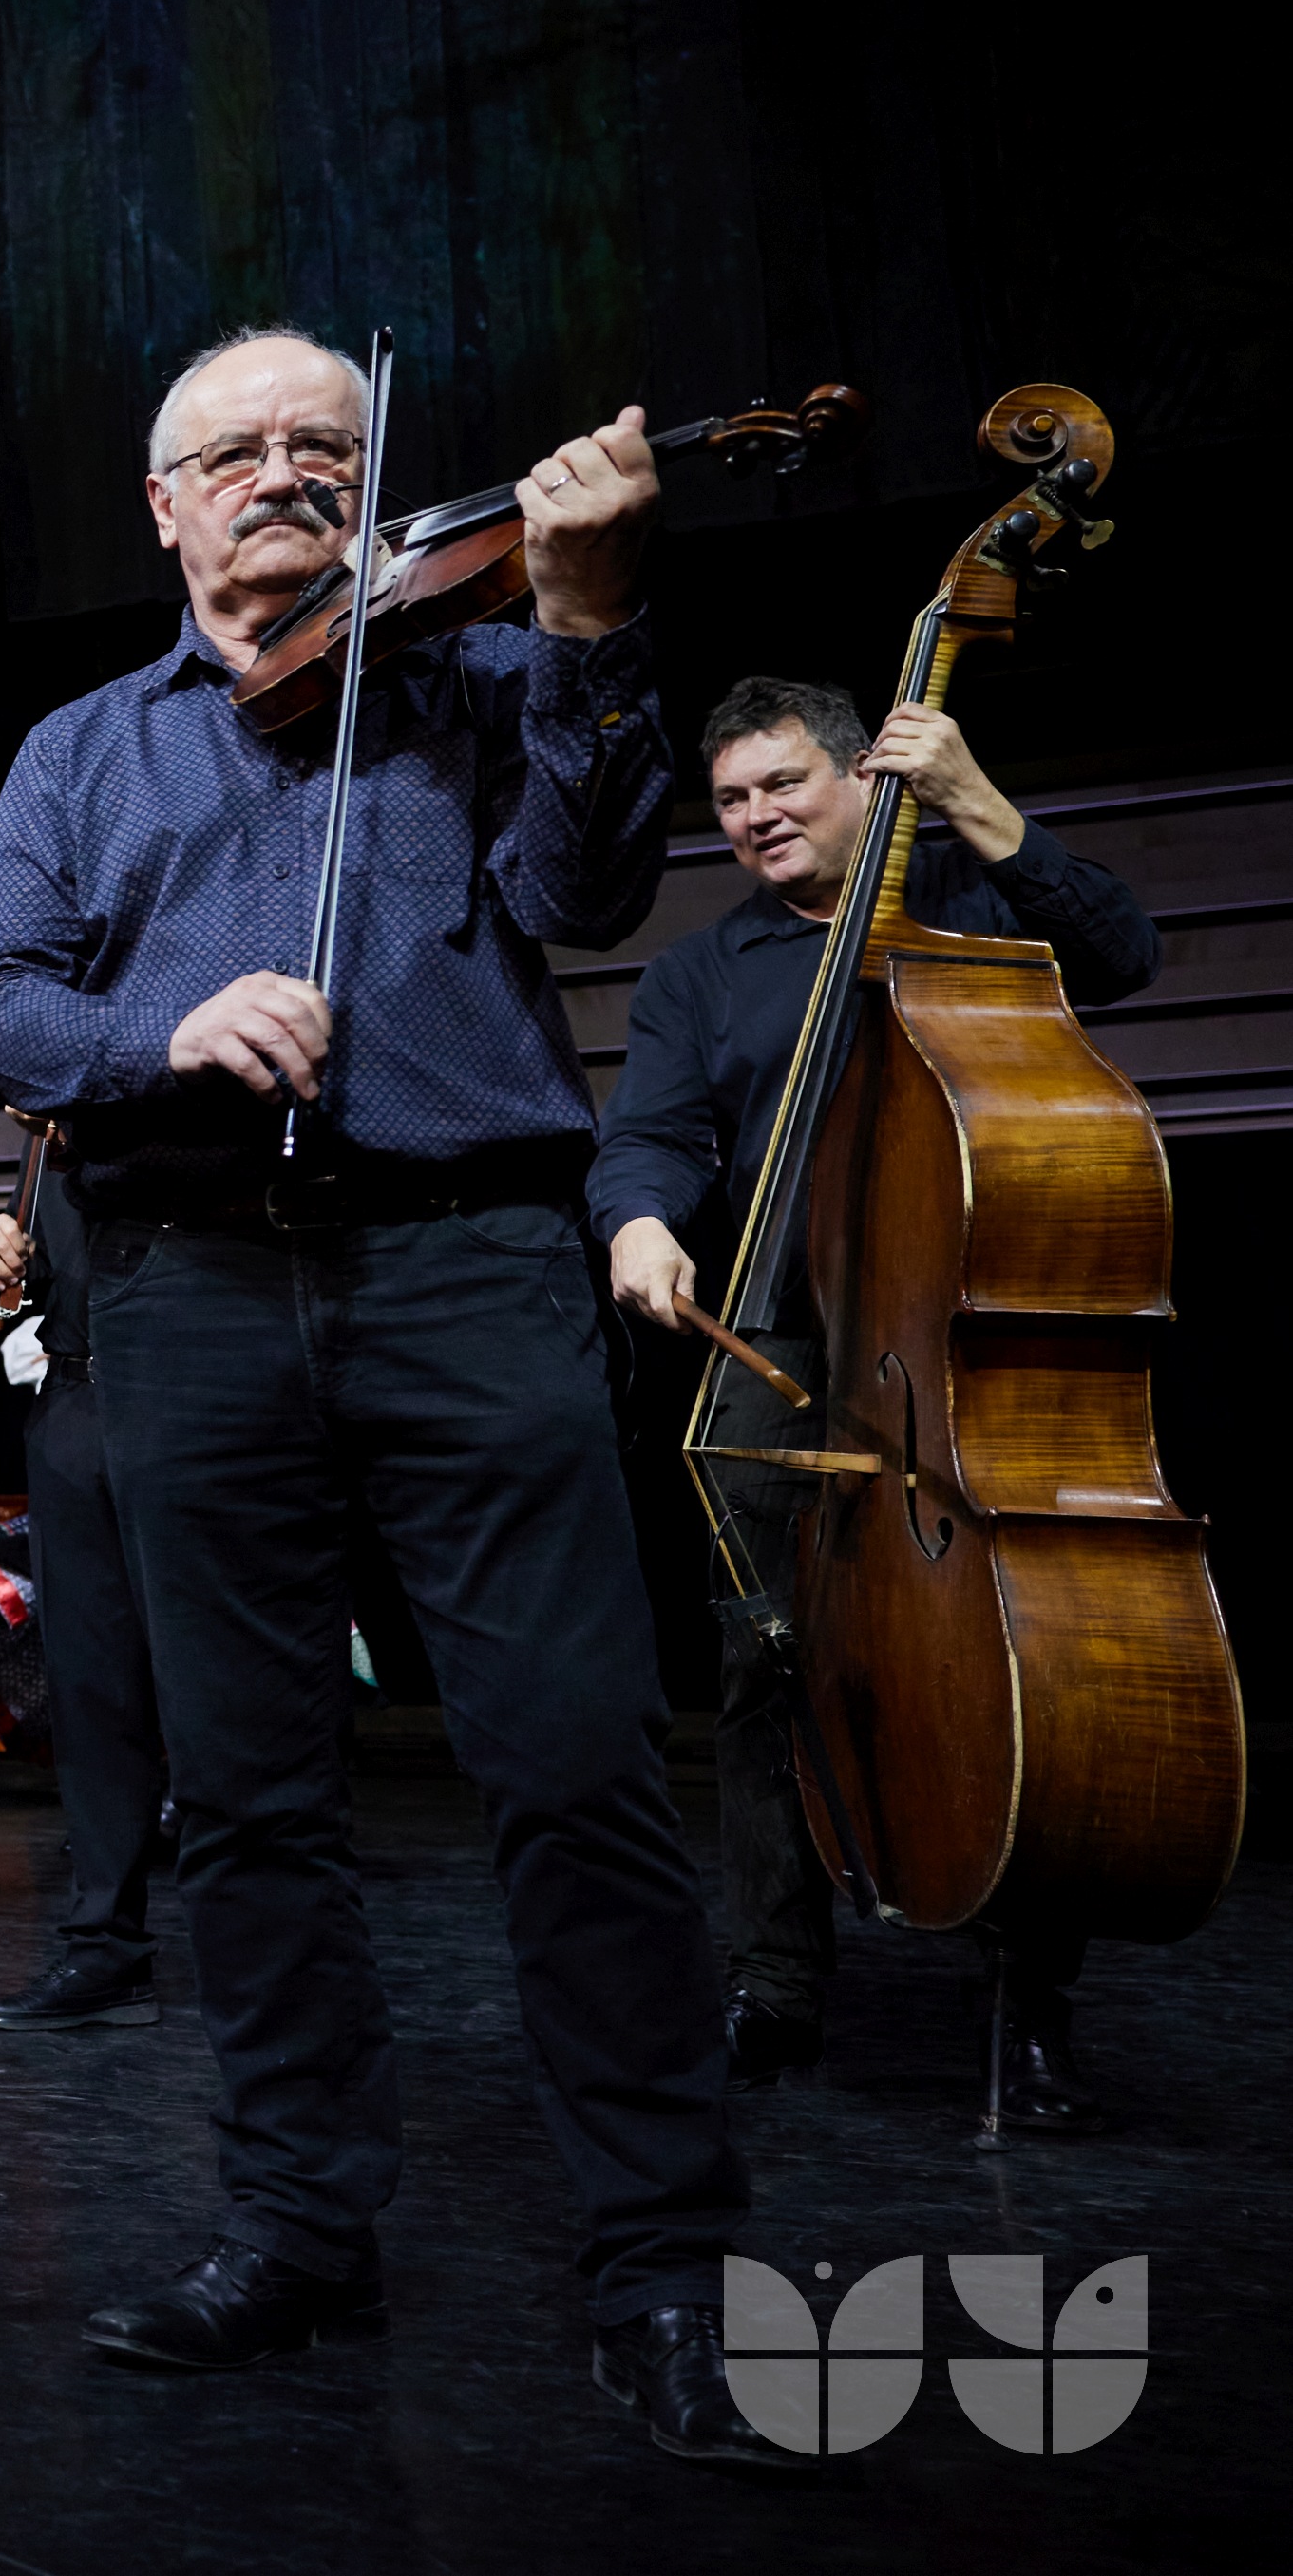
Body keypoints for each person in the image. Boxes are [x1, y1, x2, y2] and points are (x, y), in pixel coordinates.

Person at [0, 331, 789, 2469]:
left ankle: (667, 2261)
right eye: (235, 453)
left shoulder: (484, 675)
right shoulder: (81, 748)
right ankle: (300, 2226)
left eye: (327, 443)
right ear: (165, 506)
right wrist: (160, 1035)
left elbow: (590, 892)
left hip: (466, 1263)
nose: (288, 475)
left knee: (578, 1767)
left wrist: (589, 626)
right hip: (188, 1282)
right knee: (245, 1795)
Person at [590, 673, 1159, 2131]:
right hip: (776, 1334)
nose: (756, 816)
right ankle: (774, 1982)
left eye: (782, 783)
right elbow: (649, 1136)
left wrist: (977, 799)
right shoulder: (701, 972)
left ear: (861, 775)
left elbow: (1127, 953)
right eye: (732, 800)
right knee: (763, 1660)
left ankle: (1030, 1998)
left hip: (959, 1346)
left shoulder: (981, 908)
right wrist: (638, 1221)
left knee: (1010, 1664)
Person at [0, 1134, 174, 2029]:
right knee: (88, 1693)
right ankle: (106, 1949)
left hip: (183, 1399)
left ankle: (273, 1954)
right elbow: (32, 1277)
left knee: (220, 1692)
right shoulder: (50, 1130)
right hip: (75, 1408)